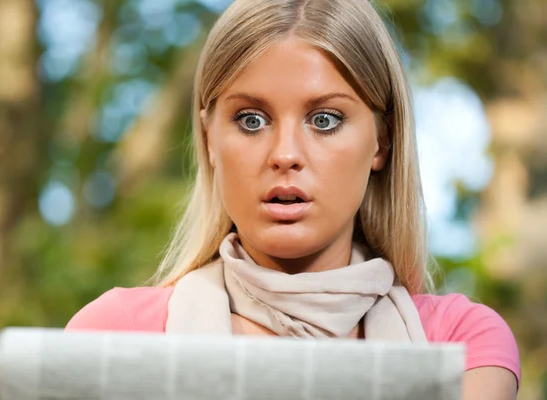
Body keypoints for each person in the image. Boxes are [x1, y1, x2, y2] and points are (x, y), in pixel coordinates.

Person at [66, 0, 520, 398]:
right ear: (209, 139)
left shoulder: (462, 344)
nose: (285, 155)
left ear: (382, 141)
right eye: (250, 120)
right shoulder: (116, 333)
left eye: (324, 120)